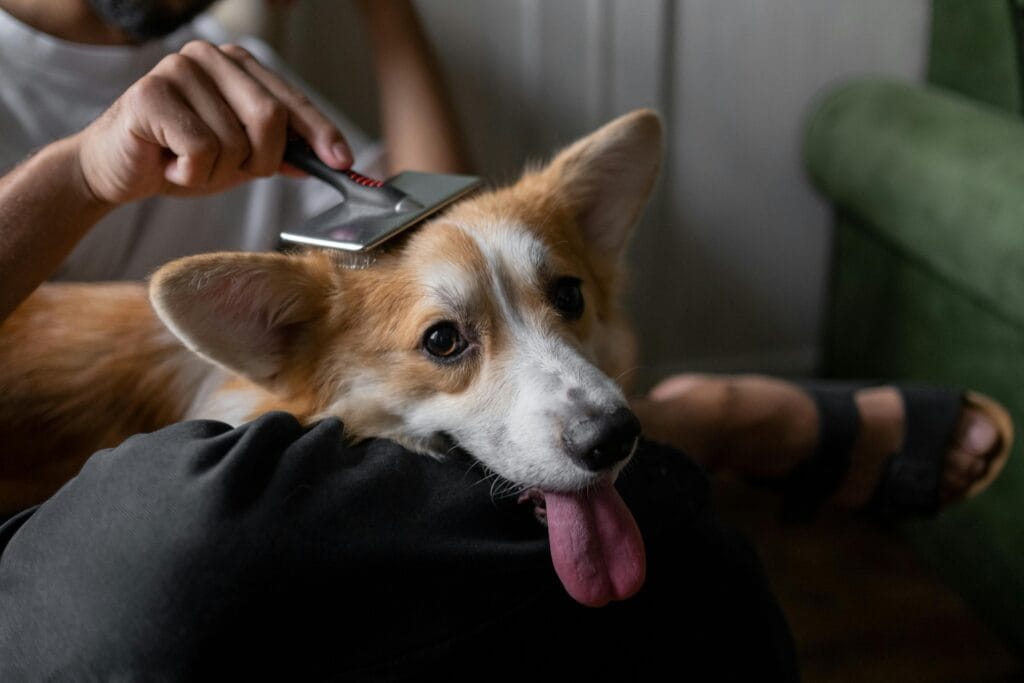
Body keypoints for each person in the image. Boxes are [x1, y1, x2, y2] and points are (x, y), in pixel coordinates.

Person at [0, 0, 1009, 677]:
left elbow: (444, 224)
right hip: (137, 501)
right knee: (195, 538)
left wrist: (389, 14)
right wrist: (80, 175)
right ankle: (698, 428)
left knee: (670, 550)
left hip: (325, 403)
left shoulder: (240, 70)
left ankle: (683, 433)